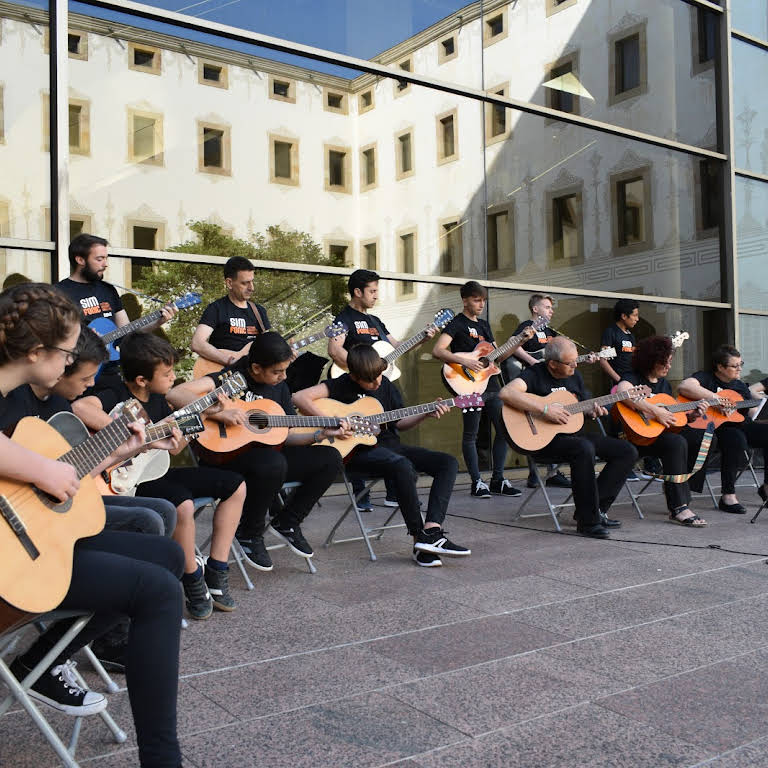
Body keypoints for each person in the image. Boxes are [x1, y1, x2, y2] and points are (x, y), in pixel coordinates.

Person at [0, 283, 184, 767]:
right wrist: (42, 470)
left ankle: (39, 661)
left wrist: (118, 452)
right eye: (65, 353)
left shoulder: (21, 398)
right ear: (37, 351)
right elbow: (37, 469)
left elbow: (44, 473)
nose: (71, 364)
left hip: (28, 536)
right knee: (159, 591)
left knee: (168, 556)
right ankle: (164, 760)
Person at [74, 333, 247, 620]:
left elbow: (170, 448)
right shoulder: (114, 389)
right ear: (141, 379)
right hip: (115, 478)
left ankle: (217, 569)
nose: (173, 378)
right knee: (183, 504)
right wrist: (135, 437)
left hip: (149, 472)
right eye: (166, 373)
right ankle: (192, 577)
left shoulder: (160, 401)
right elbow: (80, 407)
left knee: (235, 484)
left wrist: (199, 418)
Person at [168, 331, 349, 572]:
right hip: (224, 458)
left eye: (285, 370)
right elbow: (174, 393)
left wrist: (319, 435)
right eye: (277, 372)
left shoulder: (280, 387)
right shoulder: (233, 377)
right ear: (255, 367)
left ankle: (288, 522)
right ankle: (249, 532)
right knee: (274, 462)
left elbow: (286, 433)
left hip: (267, 460)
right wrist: (219, 413)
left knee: (330, 458)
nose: (283, 377)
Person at [293, 344, 470, 567]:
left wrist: (425, 413)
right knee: (401, 465)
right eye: (370, 380)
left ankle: (432, 530)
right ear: (354, 376)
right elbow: (299, 398)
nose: (377, 383)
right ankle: (419, 538)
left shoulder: (383, 382)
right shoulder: (339, 385)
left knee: (447, 463)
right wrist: (335, 421)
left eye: (378, 376)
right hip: (359, 454)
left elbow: (400, 423)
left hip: (391, 447)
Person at [499, 337, 638, 538]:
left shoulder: (575, 376)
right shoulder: (534, 373)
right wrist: (545, 409)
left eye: (575, 361)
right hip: (542, 442)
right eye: (569, 362)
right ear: (552, 364)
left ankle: (597, 509)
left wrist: (592, 411)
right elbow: (506, 393)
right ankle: (587, 522)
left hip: (572, 436)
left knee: (627, 451)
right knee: (583, 449)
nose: (575, 365)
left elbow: (581, 407)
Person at [432, 280, 527, 499]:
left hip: (491, 385)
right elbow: (438, 350)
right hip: (468, 385)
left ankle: (498, 479)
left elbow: (496, 357)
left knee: (504, 430)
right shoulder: (456, 324)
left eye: (483, 300)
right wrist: (464, 361)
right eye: (477, 300)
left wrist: (517, 342)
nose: (481, 304)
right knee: (471, 434)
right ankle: (477, 482)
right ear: (465, 300)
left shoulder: (484, 325)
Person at [55, 233, 176, 381]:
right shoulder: (58, 293)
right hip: (76, 372)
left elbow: (127, 332)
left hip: (109, 372)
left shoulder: (108, 290)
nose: (105, 264)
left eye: (106, 258)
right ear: (80, 260)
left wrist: (159, 321)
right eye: (99, 259)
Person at [614, 336, 707, 527]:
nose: (668, 367)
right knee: (676, 443)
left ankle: (680, 485)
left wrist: (691, 416)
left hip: (656, 436)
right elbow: (623, 391)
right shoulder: (632, 377)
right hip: (633, 438)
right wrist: (655, 410)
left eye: (670, 362)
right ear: (651, 361)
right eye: (664, 363)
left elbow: (670, 416)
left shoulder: (663, 385)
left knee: (701, 437)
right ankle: (679, 507)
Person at [678, 344, 768, 514]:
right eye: (735, 366)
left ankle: (767, 487)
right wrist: (717, 399)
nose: (739, 369)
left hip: (740, 424)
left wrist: (760, 410)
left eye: (741, 364)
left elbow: (751, 411)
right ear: (720, 367)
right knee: (736, 439)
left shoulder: (739, 386)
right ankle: (728, 496)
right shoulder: (706, 378)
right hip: (715, 427)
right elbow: (685, 387)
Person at [511, 293, 571, 490]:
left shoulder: (551, 331)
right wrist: (533, 362)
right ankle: (534, 474)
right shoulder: (527, 326)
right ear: (535, 309)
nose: (550, 311)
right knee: (534, 425)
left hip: (550, 383)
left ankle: (553, 472)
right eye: (546, 307)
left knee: (552, 423)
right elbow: (514, 346)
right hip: (532, 381)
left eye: (551, 308)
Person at [191, 255, 270, 370]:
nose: (251, 288)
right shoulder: (216, 309)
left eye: (252, 281)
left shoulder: (259, 312)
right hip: (222, 374)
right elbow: (197, 343)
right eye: (245, 283)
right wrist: (230, 360)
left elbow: (268, 347)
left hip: (251, 375)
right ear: (229, 283)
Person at [600, 298, 640, 386]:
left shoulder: (630, 335)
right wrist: (619, 380)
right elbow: (603, 360)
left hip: (632, 380)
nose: (637, 319)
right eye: (635, 315)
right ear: (624, 316)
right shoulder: (611, 332)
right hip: (619, 383)